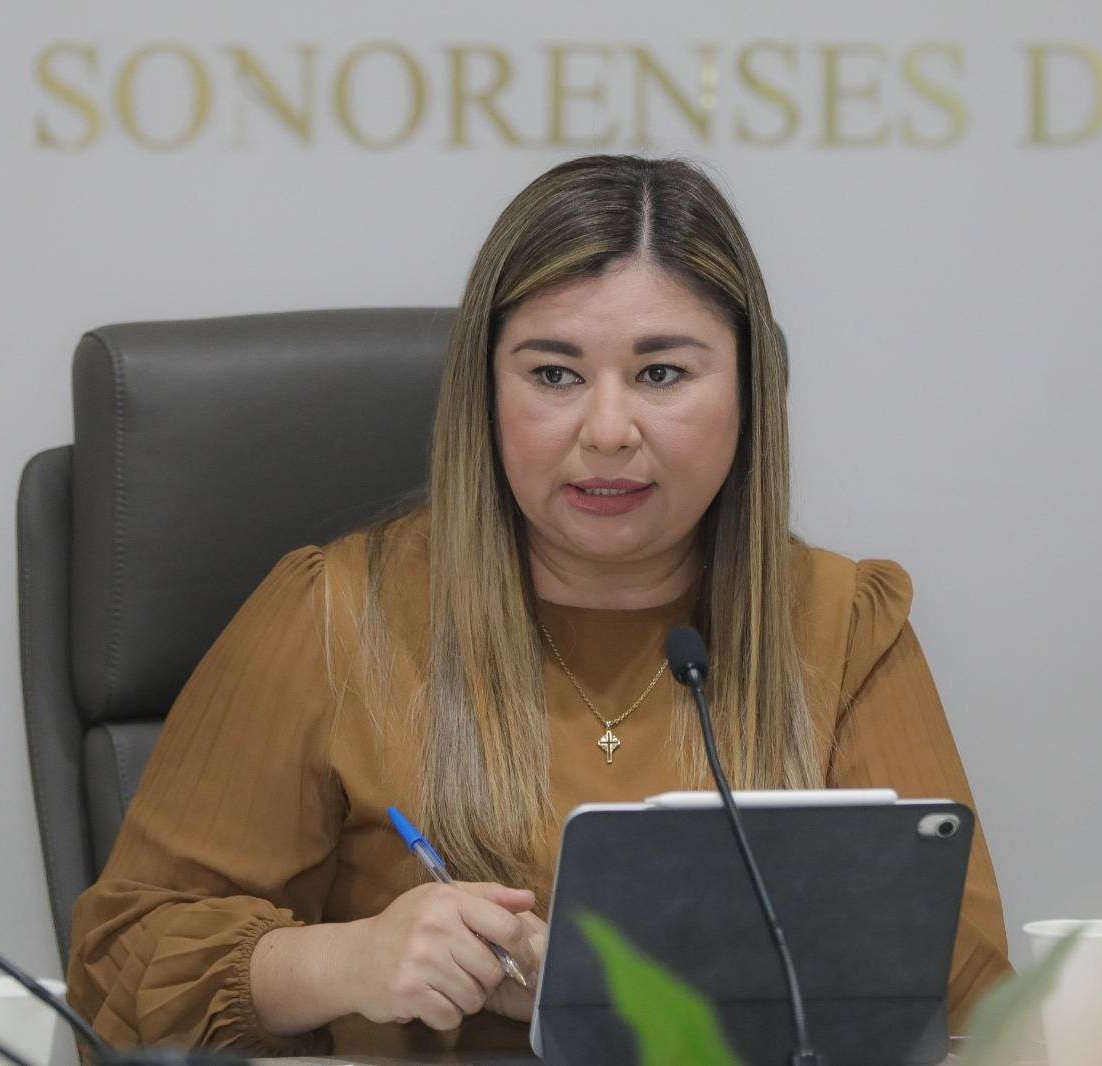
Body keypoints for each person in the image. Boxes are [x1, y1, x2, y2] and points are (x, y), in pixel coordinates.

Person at [65, 154, 1013, 1059]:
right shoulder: (332, 616)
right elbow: (117, 976)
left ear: (749, 394)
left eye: (662, 374)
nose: (607, 431)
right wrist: (341, 962)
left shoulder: (844, 628)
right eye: (554, 374)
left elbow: (967, 1008)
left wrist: (609, 989)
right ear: (485, 393)